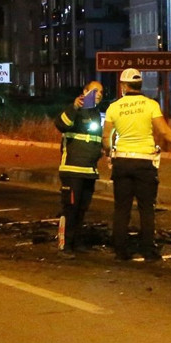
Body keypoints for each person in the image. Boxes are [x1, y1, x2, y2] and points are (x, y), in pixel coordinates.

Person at [102, 68, 171, 261]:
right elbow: (165, 132)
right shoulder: (150, 105)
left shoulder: (114, 107)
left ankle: (120, 251)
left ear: (124, 86)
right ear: (140, 84)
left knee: (122, 208)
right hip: (145, 161)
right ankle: (148, 251)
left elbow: (106, 137)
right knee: (146, 208)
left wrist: (109, 153)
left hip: (122, 160)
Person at [53, 81, 105, 258]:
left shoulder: (96, 113)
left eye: (101, 92)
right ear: (85, 91)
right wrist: (74, 106)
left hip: (89, 170)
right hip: (73, 169)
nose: (98, 94)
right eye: (95, 91)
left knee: (82, 209)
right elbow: (61, 124)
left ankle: (77, 241)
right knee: (71, 208)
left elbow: (96, 140)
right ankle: (65, 244)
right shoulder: (75, 109)